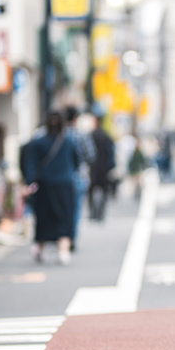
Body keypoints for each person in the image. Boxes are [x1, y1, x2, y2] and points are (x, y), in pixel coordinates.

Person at [23, 111, 79, 265]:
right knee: (64, 218)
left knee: (43, 219)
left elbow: (31, 165)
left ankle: (40, 249)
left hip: (45, 185)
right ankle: (63, 251)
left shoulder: (38, 142)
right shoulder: (69, 142)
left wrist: (28, 183)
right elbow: (76, 162)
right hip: (65, 185)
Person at [64, 106, 95, 250]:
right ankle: (71, 238)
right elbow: (91, 156)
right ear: (75, 119)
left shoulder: (57, 135)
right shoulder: (81, 135)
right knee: (76, 209)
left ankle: (61, 237)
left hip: (60, 177)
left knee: (60, 208)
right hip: (78, 177)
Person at [87, 113, 116, 223]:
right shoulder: (106, 136)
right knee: (104, 190)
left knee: (91, 189)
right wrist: (112, 166)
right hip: (104, 166)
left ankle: (93, 213)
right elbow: (110, 152)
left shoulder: (91, 135)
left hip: (93, 167)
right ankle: (101, 213)